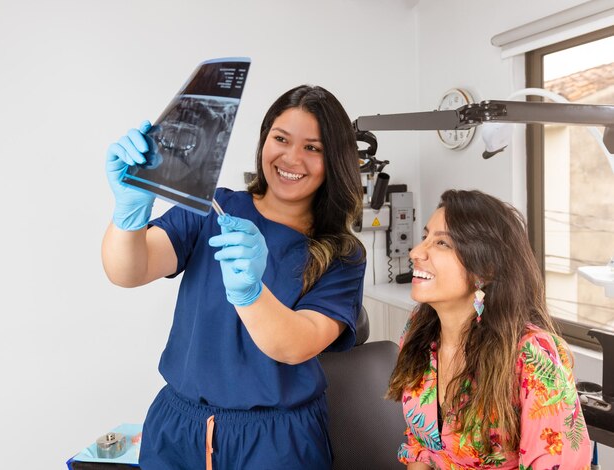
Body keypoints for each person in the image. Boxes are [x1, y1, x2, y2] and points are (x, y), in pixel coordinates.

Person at [102, 85, 366, 470]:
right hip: (178, 429)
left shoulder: (341, 254)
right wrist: (129, 211)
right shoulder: (212, 209)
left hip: (276, 442)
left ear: (335, 160)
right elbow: (129, 270)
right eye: (281, 138)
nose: (292, 157)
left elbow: (296, 345)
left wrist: (251, 293)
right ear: (264, 142)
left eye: (313, 147)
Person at [386, 189, 591, 469]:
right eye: (425, 238)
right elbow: (420, 446)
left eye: (442, 243)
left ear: (486, 269)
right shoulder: (418, 331)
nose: (416, 252)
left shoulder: (532, 354)